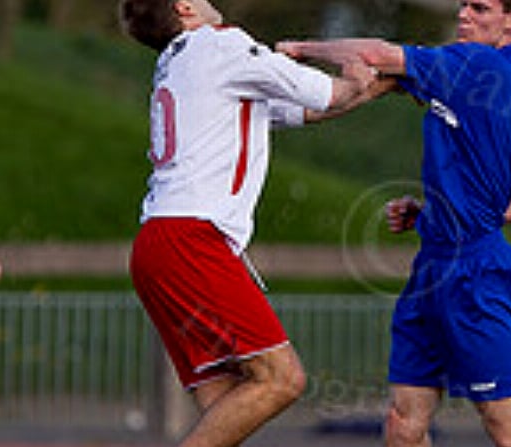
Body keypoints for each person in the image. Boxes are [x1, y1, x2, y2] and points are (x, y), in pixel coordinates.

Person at [276, 1, 511, 446]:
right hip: (435, 267)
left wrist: (302, 48)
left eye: (479, 8)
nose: (464, 15)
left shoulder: (480, 65)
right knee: (404, 427)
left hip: (476, 274)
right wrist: (432, 211)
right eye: (463, 4)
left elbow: (379, 56)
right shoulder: (506, 84)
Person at [119, 1, 379, 446]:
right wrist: (373, 76)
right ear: (185, 7)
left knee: (228, 405)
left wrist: (371, 89)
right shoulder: (222, 44)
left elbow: (300, 111)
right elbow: (327, 94)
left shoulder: (180, 63)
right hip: (192, 238)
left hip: (157, 244)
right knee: (282, 380)